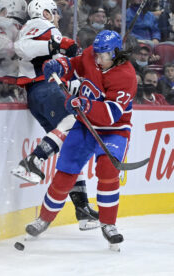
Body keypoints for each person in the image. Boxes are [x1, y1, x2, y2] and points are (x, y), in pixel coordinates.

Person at [24, 30, 137, 248]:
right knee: (66, 171)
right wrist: (61, 67)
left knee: (107, 169)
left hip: (114, 129)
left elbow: (110, 114)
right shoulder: (92, 54)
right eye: (96, 54)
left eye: (103, 55)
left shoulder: (126, 76)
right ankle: (44, 219)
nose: (97, 59)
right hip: (84, 125)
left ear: (115, 54)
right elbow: (77, 64)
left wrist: (84, 105)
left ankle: (108, 224)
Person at [11, 0, 99, 231]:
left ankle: (82, 210)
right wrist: (56, 44)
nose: (58, 16)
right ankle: (32, 161)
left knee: (72, 146)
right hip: (45, 90)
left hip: (42, 94)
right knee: (75, 123)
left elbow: (63, 57)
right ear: (45, 12)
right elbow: (22, 47)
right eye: (55, 11)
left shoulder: (43, 31)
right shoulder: (40, 25)